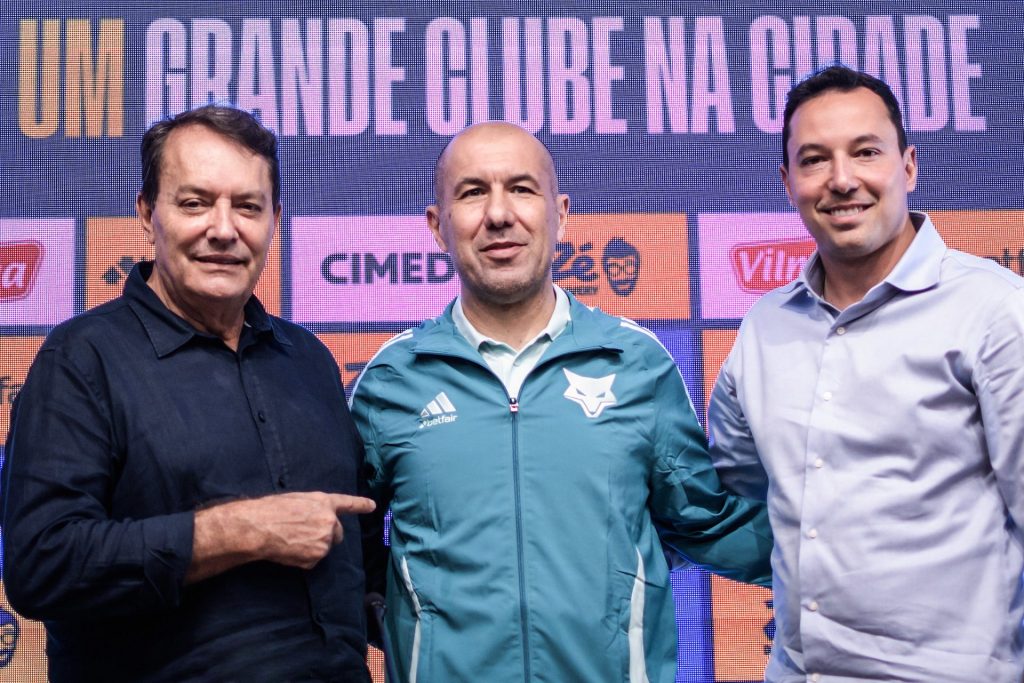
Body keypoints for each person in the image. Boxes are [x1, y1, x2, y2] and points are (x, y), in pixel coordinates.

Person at [350, 121, 773, 682]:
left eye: (522, 189)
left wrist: (852, 554)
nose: (499, 214)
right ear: (438, 225)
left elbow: (705, 520)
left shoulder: (636, 363)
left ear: (561, 215)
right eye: (472, 192)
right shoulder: (390, 381)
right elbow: (348, 549)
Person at [0, 105, 376, 682]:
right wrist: (240, 531)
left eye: (248, 206)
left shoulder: (309, 360)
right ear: (147, 213)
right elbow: (41, 565)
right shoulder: (80, 359)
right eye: (195, 202)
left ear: (276, 218)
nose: (223, 229)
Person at [708, 65, 1024, 682]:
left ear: (908, 166)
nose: (842, 179)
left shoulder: (995, 311)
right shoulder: (764, 328)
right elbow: (737, 489)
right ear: (788, 181)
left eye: (866, 152)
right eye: (815, 159)